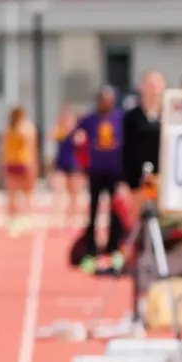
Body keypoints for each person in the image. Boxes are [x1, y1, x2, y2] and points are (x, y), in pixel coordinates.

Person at [75, 87, 127, 272]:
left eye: (109, 99)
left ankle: (114, 247)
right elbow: (75, 140)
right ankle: (90, 248)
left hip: (115, 172)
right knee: (94, 212)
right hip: (96, 171)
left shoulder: (120, 118)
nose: (106, 103)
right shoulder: (89, 120)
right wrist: (83, 164)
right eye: (102, 99)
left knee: (116, 212)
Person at [1, 106, 38, 237]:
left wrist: (33, 165)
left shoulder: (20, 128)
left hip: (19, 163)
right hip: (17, 164)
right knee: (17, 195)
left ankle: (21, 220)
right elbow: (6, 148)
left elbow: (31, 147)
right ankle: (17, 221)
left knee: (21, 195)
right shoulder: (14, 128)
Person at [50, 104, 84, 228]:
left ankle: (73, 218)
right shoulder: (59, 130)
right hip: (61, 165)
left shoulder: (77, 132)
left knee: (74, 194)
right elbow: (50, 136)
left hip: (74, 164)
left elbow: (81, 142)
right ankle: (58, 217)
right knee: (58, 191)